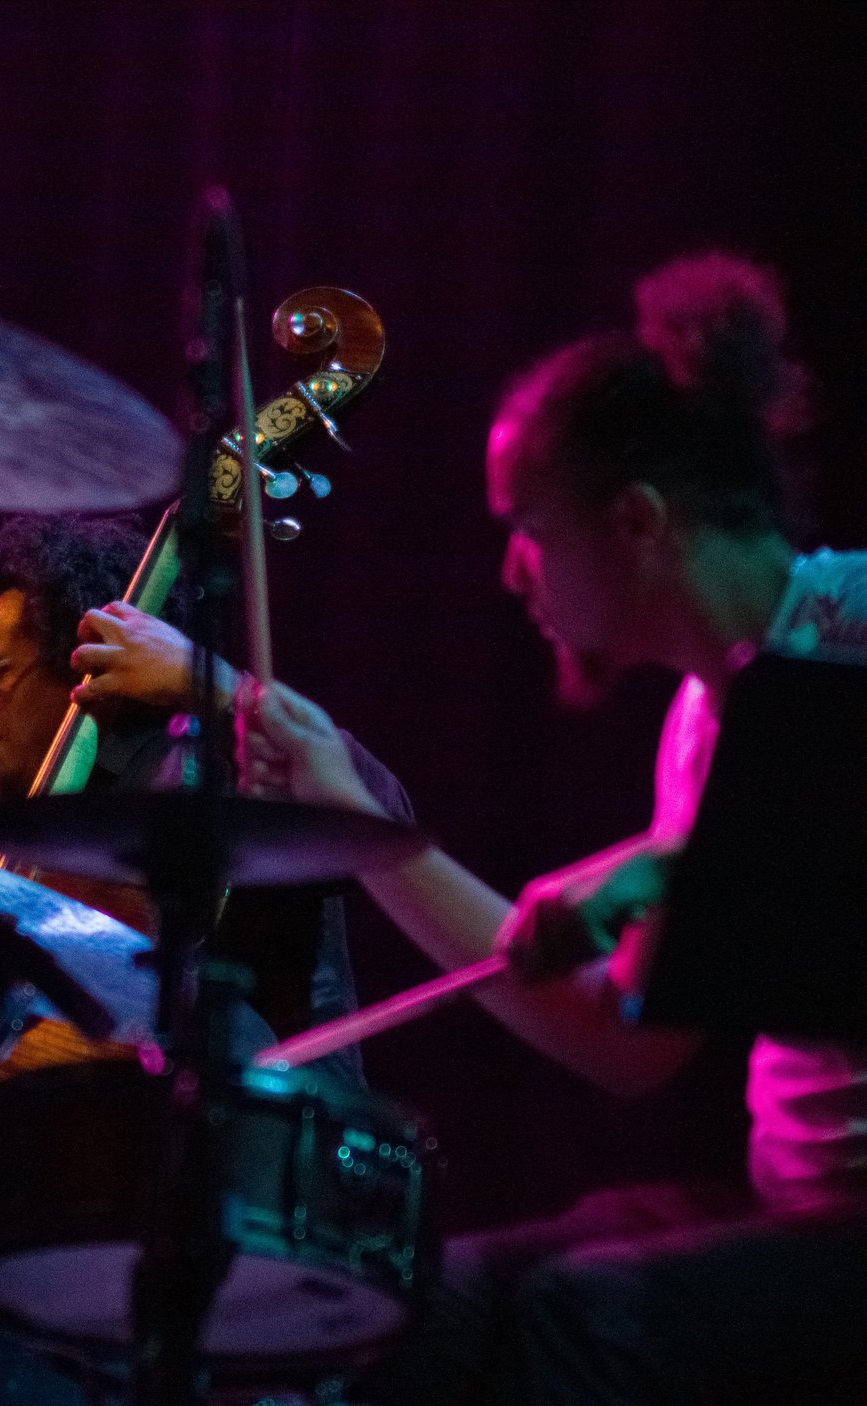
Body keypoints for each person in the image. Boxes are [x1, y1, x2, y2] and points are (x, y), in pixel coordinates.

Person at [237, 252, 867, 1403]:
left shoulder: (852, 622)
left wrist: (655, 869)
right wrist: (360, 826)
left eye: (526, 523)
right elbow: (627, 1044)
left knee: (589, 1318)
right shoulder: (697, 725)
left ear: (633, 521)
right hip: (800, 1215)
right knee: (434, 1297)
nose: (510, 570)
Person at [0, 512, 413, 1076]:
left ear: (80, 662)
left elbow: (385, 817)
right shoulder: (11, 840)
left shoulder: (205, 770)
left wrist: (210, 681)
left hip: (259, 1136)